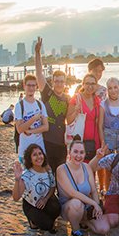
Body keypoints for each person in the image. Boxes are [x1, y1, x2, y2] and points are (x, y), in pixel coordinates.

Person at [57, 138, 110, 236]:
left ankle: (83, 221)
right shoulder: (61, 169)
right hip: (68, 208)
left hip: (85, 207)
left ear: (85, 154)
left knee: (103, 228)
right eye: (75, 152)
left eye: (81, 152)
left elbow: (94, 190)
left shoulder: (86, 167)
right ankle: (76, 230)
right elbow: (72, 193)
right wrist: (94, 203)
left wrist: (96, 206)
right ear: (69, 152)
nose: (78, 155)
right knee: (76, 203)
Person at [35, 37, 70, 174]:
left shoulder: (68, 99)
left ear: (65, 82)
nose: (59, 84)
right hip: (47, 141)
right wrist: (37, 54)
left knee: (60, 173)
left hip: (62, 143)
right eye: (56, 81)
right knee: (48, 172)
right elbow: (39, 74)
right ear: (53, 81)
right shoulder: (47, 94)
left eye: (62, 81)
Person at [12, 144, 60, 233]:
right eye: (34, 155)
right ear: (30, 159)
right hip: (31, 204)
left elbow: (53, 186)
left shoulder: (47, 168)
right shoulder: (26, 175)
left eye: (40, 153)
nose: (39, 157)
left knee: (57, 208)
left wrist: (45, 199)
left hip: (45, 200)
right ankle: (32, 220)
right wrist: (17, 180)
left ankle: (46, 218)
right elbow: (16, 198)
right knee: (47, 225)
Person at [66, 74, 101, 163]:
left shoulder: (97, 100)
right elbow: (69, 121)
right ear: (83, 85)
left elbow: (99, 122)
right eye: (87, 83)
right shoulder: (76, 99)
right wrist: (75, 112)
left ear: (96, 85)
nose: (90, 86)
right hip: (80, 138)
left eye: (93, 84)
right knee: (78, 168)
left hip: (94, 140)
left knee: (91, 170)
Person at [15, 74, 49, 163]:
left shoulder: (40, 104)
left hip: (39, 148)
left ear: (36, 86)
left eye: (33, 85)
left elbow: (46, 127)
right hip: (25, 150)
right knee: (26, 176)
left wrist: (30, 131)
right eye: (29, 85)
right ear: (24, 86)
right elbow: (19, 129)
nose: (31, 88)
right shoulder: (20, 106)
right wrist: (34, 118)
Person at [99, 77, 119, 153]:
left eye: (115, 87)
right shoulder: (103, 104)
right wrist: (103, 143)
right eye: (110, 88)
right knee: (109, 162)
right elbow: (100, 126)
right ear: (107, 90)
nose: (113, 90)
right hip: (108, 139)